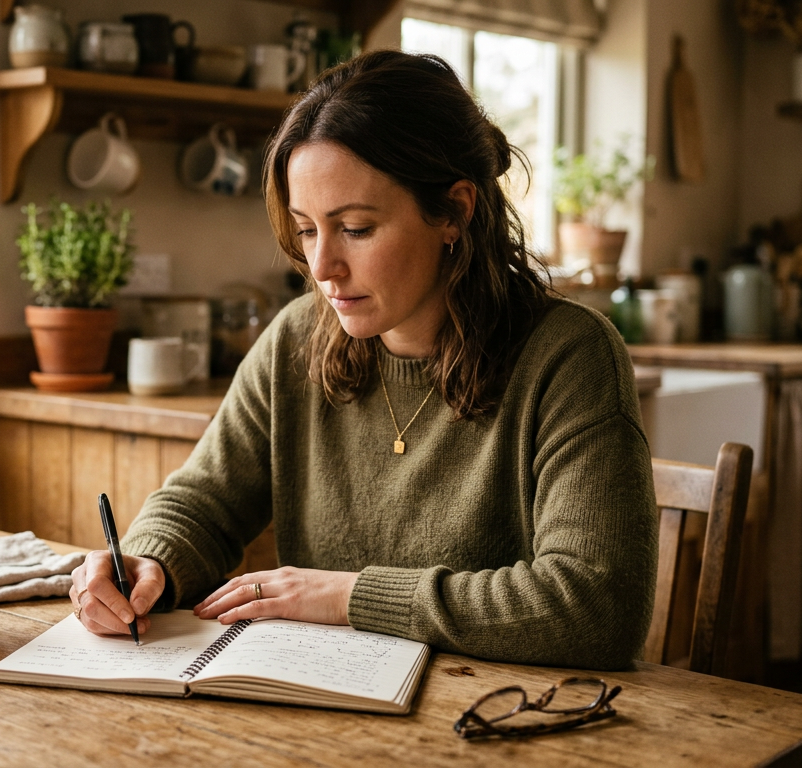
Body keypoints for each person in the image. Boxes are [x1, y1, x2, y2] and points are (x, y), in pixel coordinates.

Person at [69, 50, 658, 670]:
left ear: (454, 212)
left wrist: (348, 597)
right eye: (306, 229)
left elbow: (597, 607)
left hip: (501, 712)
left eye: (355, 228)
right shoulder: (297, 337)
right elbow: (204, 501)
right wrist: (149, 561)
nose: (322, 267)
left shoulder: (570, 356)